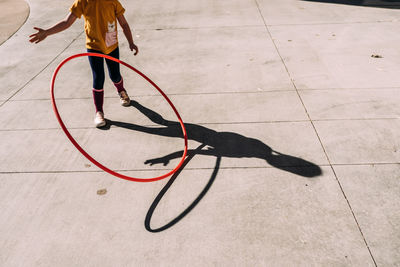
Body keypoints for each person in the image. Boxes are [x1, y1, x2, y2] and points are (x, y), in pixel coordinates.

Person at [29, 0, 139, 127]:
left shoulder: (112, 1)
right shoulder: (83, 2)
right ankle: (99, 112)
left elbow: (124, 23)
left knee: (115, 75)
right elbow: (67, 22)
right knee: (98, 78)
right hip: (93, 46)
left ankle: (121, 91)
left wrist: (131, 42)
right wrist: (46, 32)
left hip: (111, 44)